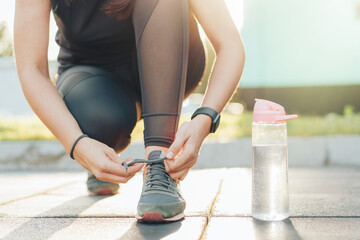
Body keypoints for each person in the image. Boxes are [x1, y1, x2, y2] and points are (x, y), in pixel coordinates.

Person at [14, 0, 245, 223]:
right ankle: (102, 150)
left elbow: (230, 45)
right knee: (100, 121)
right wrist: (78, 144)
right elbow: (32, 70)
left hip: (175, 61)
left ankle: (158, 164)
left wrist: (205, 119)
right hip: (91, 75)